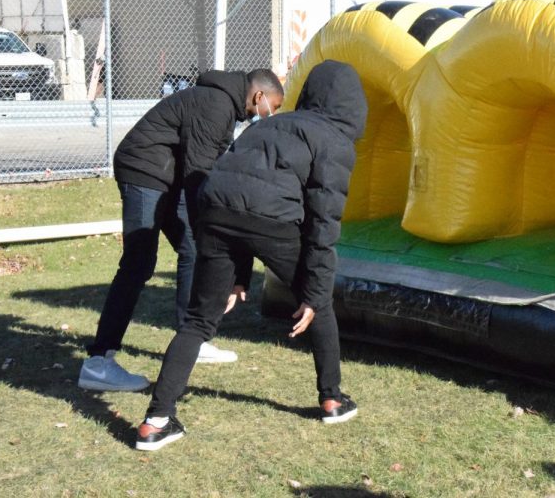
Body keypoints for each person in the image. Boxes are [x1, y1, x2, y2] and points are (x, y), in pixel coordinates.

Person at [134, 60, 367, 451]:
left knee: (197, 321)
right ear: (353, 105)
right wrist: (312, 292)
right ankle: (332, 398)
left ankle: (155, 422)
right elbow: (323, 223)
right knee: (320, 302)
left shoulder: (270, 124)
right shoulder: (335, 140)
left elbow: (234, 187)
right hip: (271, 218)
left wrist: (237, 275)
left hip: (213, 209)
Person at [78, 68, 284, 392]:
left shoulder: (224, 106)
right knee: (138, 263)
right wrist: (212, 222)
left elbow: (211, 168)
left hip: (165, 175)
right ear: (259, 97)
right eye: (272, 107)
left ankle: (192, 339)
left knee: (192, 248)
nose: (269, 115)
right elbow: (197, 175)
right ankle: (99, 362)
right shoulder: (216, 104)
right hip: (144, 170)